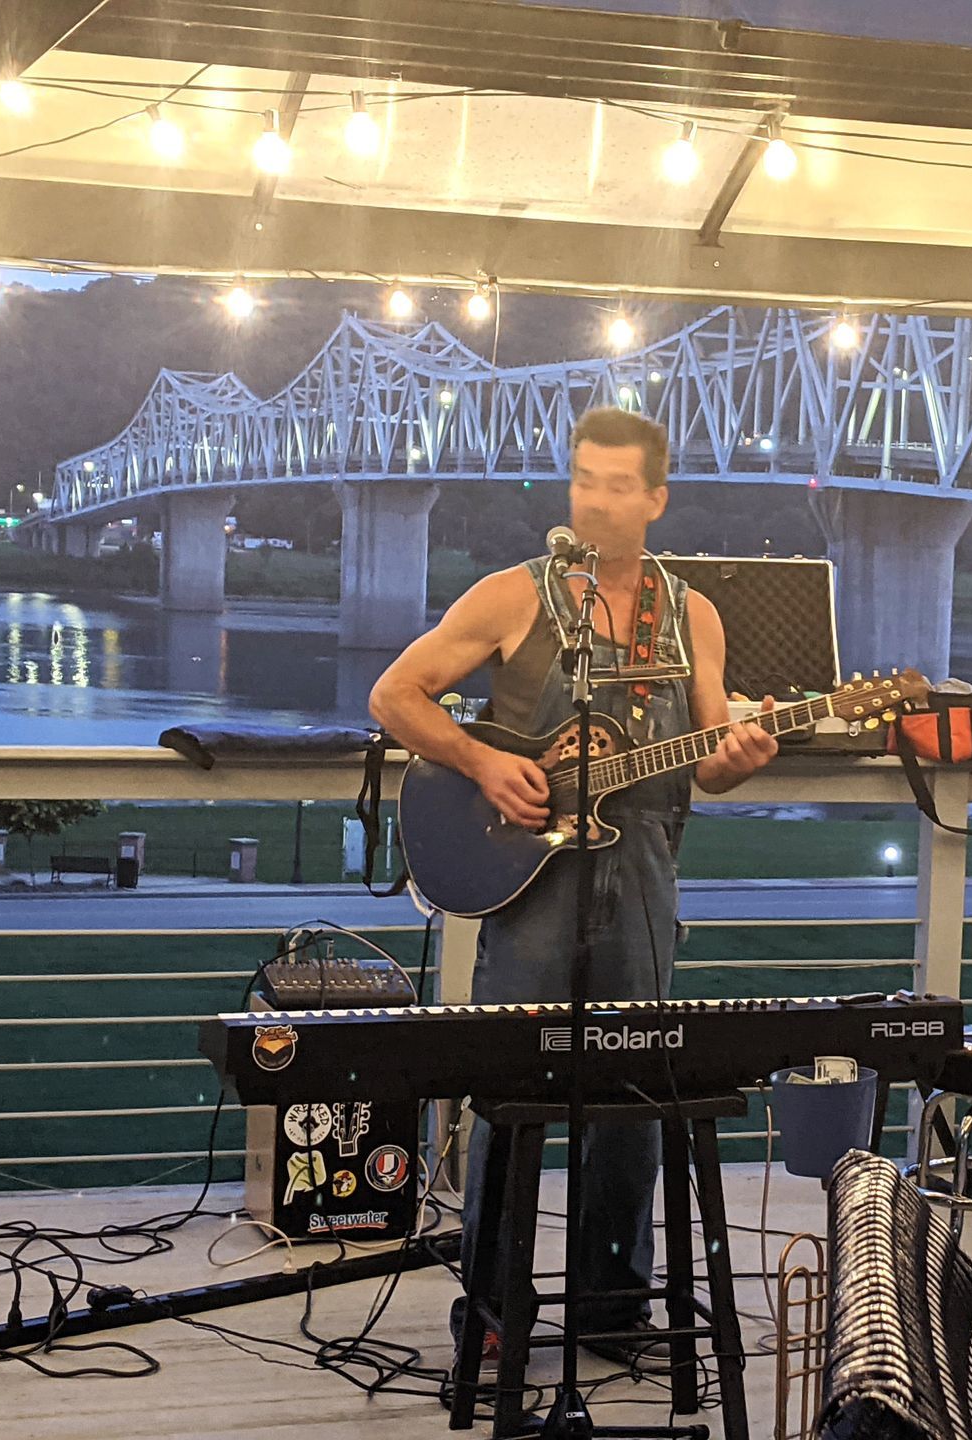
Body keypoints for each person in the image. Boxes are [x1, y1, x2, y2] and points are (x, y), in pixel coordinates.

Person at [368, 406, 780, 1367]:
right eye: (583, 480)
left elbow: (709, 765)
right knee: (512, 1094)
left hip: (642, 876)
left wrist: (747, 755)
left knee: (634, 1096)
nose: (594, 500)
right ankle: (494, 1320)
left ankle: (612, 1312)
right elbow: (394, 695)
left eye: (616, 485)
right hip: (532, 885)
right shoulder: (512, 596)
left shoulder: (695, 615)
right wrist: (478, 762)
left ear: (656, 499)